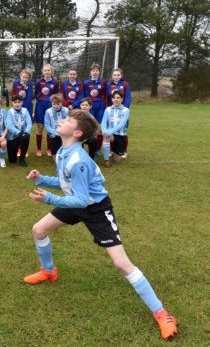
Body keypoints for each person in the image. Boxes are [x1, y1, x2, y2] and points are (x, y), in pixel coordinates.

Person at [23, 109, 177, 341]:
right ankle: (48, 271)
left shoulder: (79, 160)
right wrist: (42, 179)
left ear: (76, 132)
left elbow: (82, 199)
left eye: (66, 120)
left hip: (95, 209)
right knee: (39, 230)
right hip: (75, 200)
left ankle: (162, 314)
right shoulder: (64, 150)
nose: (60, 120)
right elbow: (67, 184)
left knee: (121, 264)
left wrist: (49, 198)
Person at [34, 64, 60, 157]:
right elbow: (37, 93)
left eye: (48, 70)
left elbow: (57, 95)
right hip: (40, 105)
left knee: (50, 129)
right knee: (40, 128)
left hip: (50, 106)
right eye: (45, 70)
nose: (47, 72)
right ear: (42, 71)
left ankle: (49, 149)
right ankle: (39, 149)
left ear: (51, 71)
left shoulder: (55, 82)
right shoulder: (38, 82)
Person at [101, 90, 130, 168]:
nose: (116, 99)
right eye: (114, 98)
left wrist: (109, 131)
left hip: (121, 135)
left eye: (118, 98)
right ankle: (106, 160)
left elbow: (121, 124)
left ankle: (114, 151)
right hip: (111, 135)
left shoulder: (126, 110)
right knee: (105, 136)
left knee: (117, 160)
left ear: (122, 99)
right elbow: (103, 122)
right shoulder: (107, 109)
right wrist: (104, 131)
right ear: (112, 99)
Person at [83, 63, 107, 154]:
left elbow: (105, 94)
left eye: (97, 70)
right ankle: (89, 148)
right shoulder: (86, 82)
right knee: (90, 127)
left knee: (100, 128)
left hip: (100, 106)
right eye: (93, 70)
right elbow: (85, 96)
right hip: (90, 106)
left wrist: (104, 105)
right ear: (90, 72)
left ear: (99, 72)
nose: (95, 72)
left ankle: (97, 149)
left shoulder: (103, 82)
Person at [107, 68, 131, 157]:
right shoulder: (109, 85)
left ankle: (125, 150)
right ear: (112, 76)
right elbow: (107, 97)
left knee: (122, 131)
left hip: (121, 111)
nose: (116, 76)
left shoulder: (124, 84)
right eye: (114, 75)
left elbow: (128, 97)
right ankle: (112, 150)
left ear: (121, 76)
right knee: (111, 131)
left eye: (118, 75)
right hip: (112, 111)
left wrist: (124, 109)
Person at [5, 94, 32, 167]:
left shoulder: (25, 110)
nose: (17, 104)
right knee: (12, 160)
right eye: (15, 102)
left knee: (25, 137)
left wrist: (26, 132)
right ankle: (14, 152)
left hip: (23, 134)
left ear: (22, 102)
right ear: (12, 103)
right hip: (12, 136)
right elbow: (9, 125)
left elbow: (29, 123)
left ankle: (22, 159)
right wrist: (19, 133)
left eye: (19, 102)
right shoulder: (9, 112)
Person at [44, 93, 69, 164]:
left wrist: (64, 132)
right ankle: (56, 160)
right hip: (53, 134)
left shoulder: (66, 110)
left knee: (65, 146)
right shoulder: (48, 112)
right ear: (51, 103)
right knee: (54, 146)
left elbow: (68, 122)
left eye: (58, 104)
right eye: (54, 104)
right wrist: (56, 132)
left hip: (64, 133)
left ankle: (65, 158)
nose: (56, 106)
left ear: (61, 103)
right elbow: (47, 125)